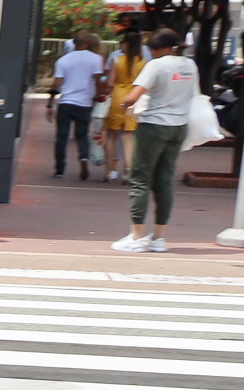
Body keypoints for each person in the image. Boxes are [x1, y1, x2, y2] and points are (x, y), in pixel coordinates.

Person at [112, 28, 196, 253]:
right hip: (178, 127)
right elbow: (193, 95)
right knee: (164, 182)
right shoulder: (190, 65)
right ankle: (158, 238)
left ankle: (136, 235)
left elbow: (132, 96)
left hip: (154, 126)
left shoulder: (156, 65)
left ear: (160, 49)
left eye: (152, 49)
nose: (151, 53)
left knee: (140, 179)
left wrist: (124, 105)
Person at [48, 33, 106, 180]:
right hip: (85, 103)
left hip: (66, 102)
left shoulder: (63, 61)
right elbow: (98, 81)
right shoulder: (96, 59)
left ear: (74, 43)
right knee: (82, 134)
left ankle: (59, 169)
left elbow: (57, 84)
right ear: (87, 42)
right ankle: (83, 157)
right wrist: (97, 96)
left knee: (62, 136)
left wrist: (50, 104)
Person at [103, 33, 147, 182]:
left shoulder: (117, 60)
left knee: (111, 136)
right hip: (134, 100)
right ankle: (128, 169)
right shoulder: (143, 62)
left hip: (117, 98)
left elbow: (109, 83)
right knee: (128, 136)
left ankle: (110, 171)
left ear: (127, 44)